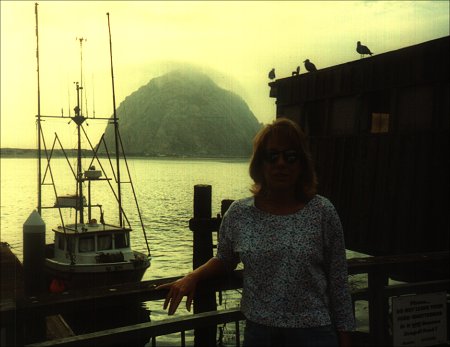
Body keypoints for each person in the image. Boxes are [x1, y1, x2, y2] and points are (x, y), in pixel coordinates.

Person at [156, 118, 355, 346]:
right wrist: (192, 277)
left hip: (314, 333)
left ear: (301, 164)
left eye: (290, 156)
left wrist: (345, 338)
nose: (281, 163)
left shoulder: (322, 212)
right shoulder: (240, 213)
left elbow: (338, 281)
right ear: (260, 164)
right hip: (260, 333)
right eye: (272, 156)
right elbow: (225, 259)